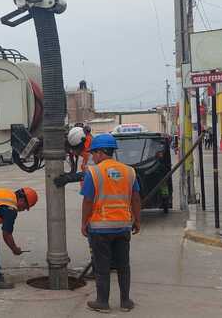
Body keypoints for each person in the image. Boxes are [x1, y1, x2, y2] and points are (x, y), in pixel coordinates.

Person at [81, 134, 141, 313]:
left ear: (100, 152)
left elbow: (88, 201)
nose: (92, 156)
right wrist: (137, 220)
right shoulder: (129, 171)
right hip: (123, 226)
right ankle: (125, 302)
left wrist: (84, 222)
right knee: (123, 266)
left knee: (102, 267)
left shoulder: (94, 172)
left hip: (100, 228)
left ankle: (103, 302)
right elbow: (136, 198)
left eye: (93, 153)